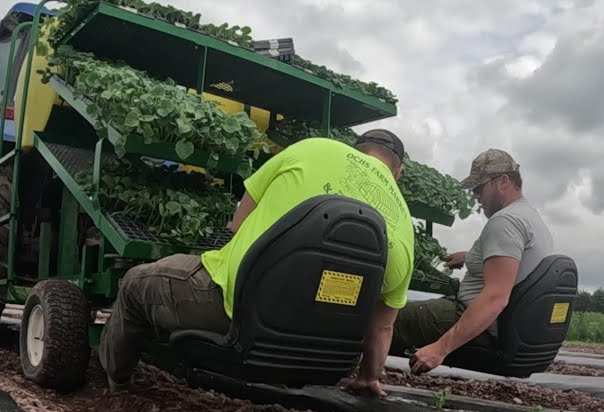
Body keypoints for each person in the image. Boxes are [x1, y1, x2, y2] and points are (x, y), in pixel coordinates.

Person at [98, 129, 415, 396]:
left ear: (354, 151)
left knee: (135, 283)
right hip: (318, 353)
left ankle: (117, 385)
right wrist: (368, 377)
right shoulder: (404, 227)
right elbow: (382, 325)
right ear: (398, 173)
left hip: (231, 313)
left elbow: (237, 225)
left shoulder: (315, 148)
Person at [391, 148, 554, 375]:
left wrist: (440, 348)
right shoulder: (529, 218)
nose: (475, 196)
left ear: (503, 181)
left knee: (384, 318)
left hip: (477, 324)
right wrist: (469, 257)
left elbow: (495, 297)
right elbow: (512, 263)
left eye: (478, 188)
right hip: (504, 327)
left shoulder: (506, 221)